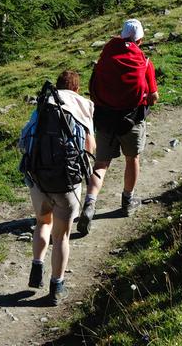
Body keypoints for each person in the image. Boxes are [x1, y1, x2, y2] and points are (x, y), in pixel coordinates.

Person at [77, 18, 159, 235]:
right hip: (130, 121)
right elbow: (153, 97)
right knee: (132, 159)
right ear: (140, 39)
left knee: (101, 164)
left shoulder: (105, 58)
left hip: (104, 120)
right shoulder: (144, 61)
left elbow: (93, 89)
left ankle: (90, 203)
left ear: (121, 36)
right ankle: (127, 201)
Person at [21, 70, 95, 305]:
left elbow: (24, 141)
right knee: (61, 236)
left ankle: (36, 266)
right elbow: (90, 147)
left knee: (43, 222)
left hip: (40, 180)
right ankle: (56, 287)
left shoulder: (43, 106)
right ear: (76, 88)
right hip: (67, 183)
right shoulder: (82, 105)